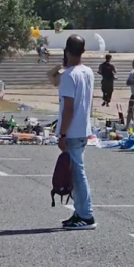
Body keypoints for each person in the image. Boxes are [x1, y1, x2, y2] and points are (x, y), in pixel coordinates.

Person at [56, 34, 95, 230]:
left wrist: (62, 134)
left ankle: (86, 214)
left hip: (72, 131)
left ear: (67, 51)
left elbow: (68, 108)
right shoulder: (87, 71)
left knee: (78, 174)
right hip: (83, 128)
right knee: (75, 172)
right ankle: (79, 212)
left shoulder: (69, 76)